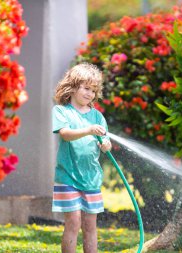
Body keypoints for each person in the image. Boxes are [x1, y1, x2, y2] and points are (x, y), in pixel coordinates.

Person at [52, 63, 112, 253]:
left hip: (91, 178)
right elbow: (65, 134)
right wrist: (88, 130)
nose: (90, 94)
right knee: (73, 222)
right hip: (68, 177)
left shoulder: (97, 117)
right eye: (86, 88)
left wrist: (105, 145)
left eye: (93, 90)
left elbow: (106, 142)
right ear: (73, 87)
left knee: (90, 225)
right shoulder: (62, 111)